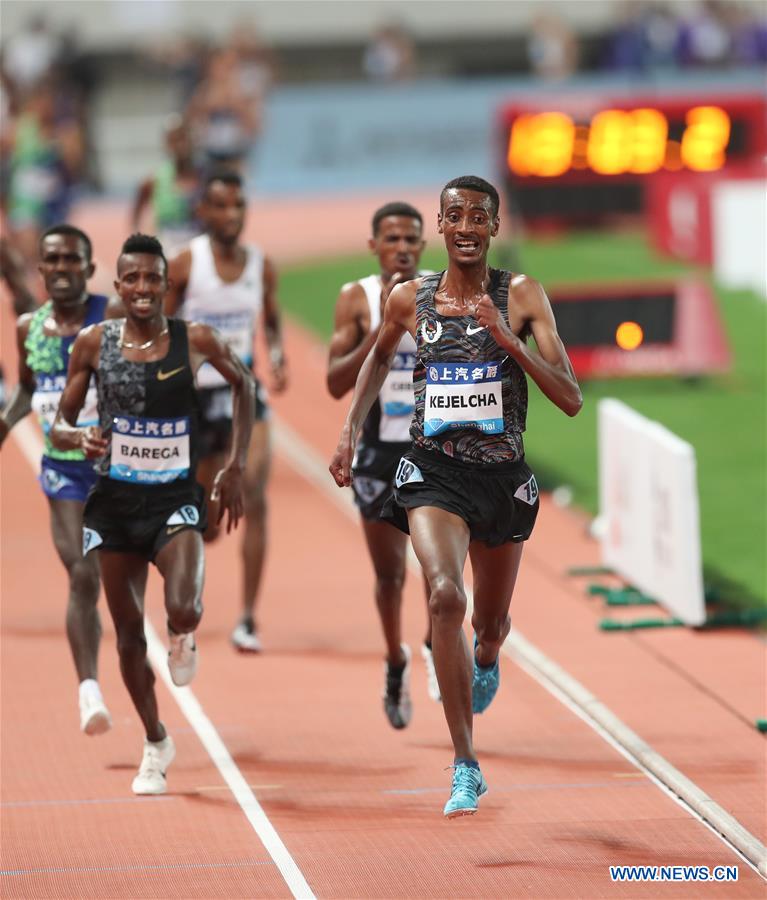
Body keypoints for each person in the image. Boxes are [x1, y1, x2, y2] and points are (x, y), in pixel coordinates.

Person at [330, 176, 582, 817]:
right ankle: (465, 764)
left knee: (488, 625)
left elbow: (571, 398)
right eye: (455, 216)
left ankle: (489, 653)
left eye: (479, 217)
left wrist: (508, 343)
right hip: (433, 471)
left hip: (502, 479)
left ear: (494, 228)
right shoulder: (408, 299)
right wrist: (350, 431)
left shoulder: (521, 295)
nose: (466, 227)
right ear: (439, 228)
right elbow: (378, 361)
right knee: (444, 594)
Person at [50, 233, 254, 794]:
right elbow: (59, 423)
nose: (143, 288)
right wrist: (79, 436)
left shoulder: (195, 340)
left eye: (153, 279)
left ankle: (183, 633)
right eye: (132, 279)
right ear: (118, 287)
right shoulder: (94, 343)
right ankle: (155, 740)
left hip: (174, 498)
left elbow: (246, 385)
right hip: (114, 503)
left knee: (183, 607)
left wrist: (234, 465)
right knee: (128, 639)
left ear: (169, 287)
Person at [0, 224, 122, 734]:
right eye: (53, 261)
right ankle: (88, 689)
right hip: (64, 472)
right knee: (82, 573)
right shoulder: (29, 327)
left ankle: (182, 626)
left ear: (90, 269)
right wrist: (4, 428)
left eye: (73, 261)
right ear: (41, 270)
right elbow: (30, 391)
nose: (63, 269)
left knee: (133, 580)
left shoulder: (111, 316)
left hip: (124, 469)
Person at [327, 201, 439, 729]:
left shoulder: (441, 295)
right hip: (376, 456)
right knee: (390, 573)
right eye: (392, 239)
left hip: (431, 451)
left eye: (411, 239)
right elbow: (333, 382)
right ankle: (395, 659)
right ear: (374, 245)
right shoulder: (357, 299)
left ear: (423, 245)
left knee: (438, 568)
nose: (402, 248)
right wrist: (383, 332)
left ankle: (436, 647)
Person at [165, 171, 286, 653]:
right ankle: (186, 605)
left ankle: (248, 618)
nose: (231, 215)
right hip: (195, 400)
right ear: (204, 211)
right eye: (221, 206)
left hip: (243, 396)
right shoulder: (185, 264)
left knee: (254, 496)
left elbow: (271, 319)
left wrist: (275, 353)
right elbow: (164, 329)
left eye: (239, 206)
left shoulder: (262, 265)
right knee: (208, 525)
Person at [131, 115, 203, 255]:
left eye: (184, 138)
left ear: (194, 140)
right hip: (168, 254)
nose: (181, 146)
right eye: (174, 140)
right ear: (166, 144)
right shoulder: (154, 180)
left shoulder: (208, 179)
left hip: (200, 254)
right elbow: (136, 214)